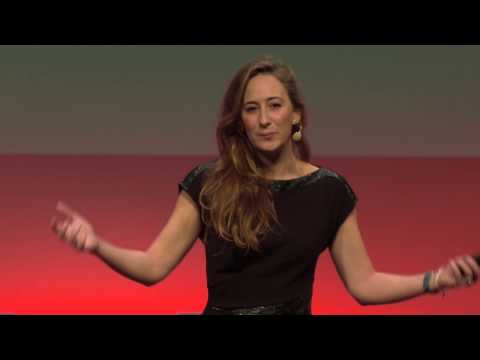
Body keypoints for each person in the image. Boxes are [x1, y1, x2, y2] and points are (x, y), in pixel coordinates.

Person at [50, 56, 480, 315]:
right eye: (251, 109)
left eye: (275, 106)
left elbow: (364, 285)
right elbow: (152, 268)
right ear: (240, 121)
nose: (264, 118)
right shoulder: (209, 184)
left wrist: (433, 279)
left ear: (297, 116)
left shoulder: (329, 191)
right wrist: (97, 245)